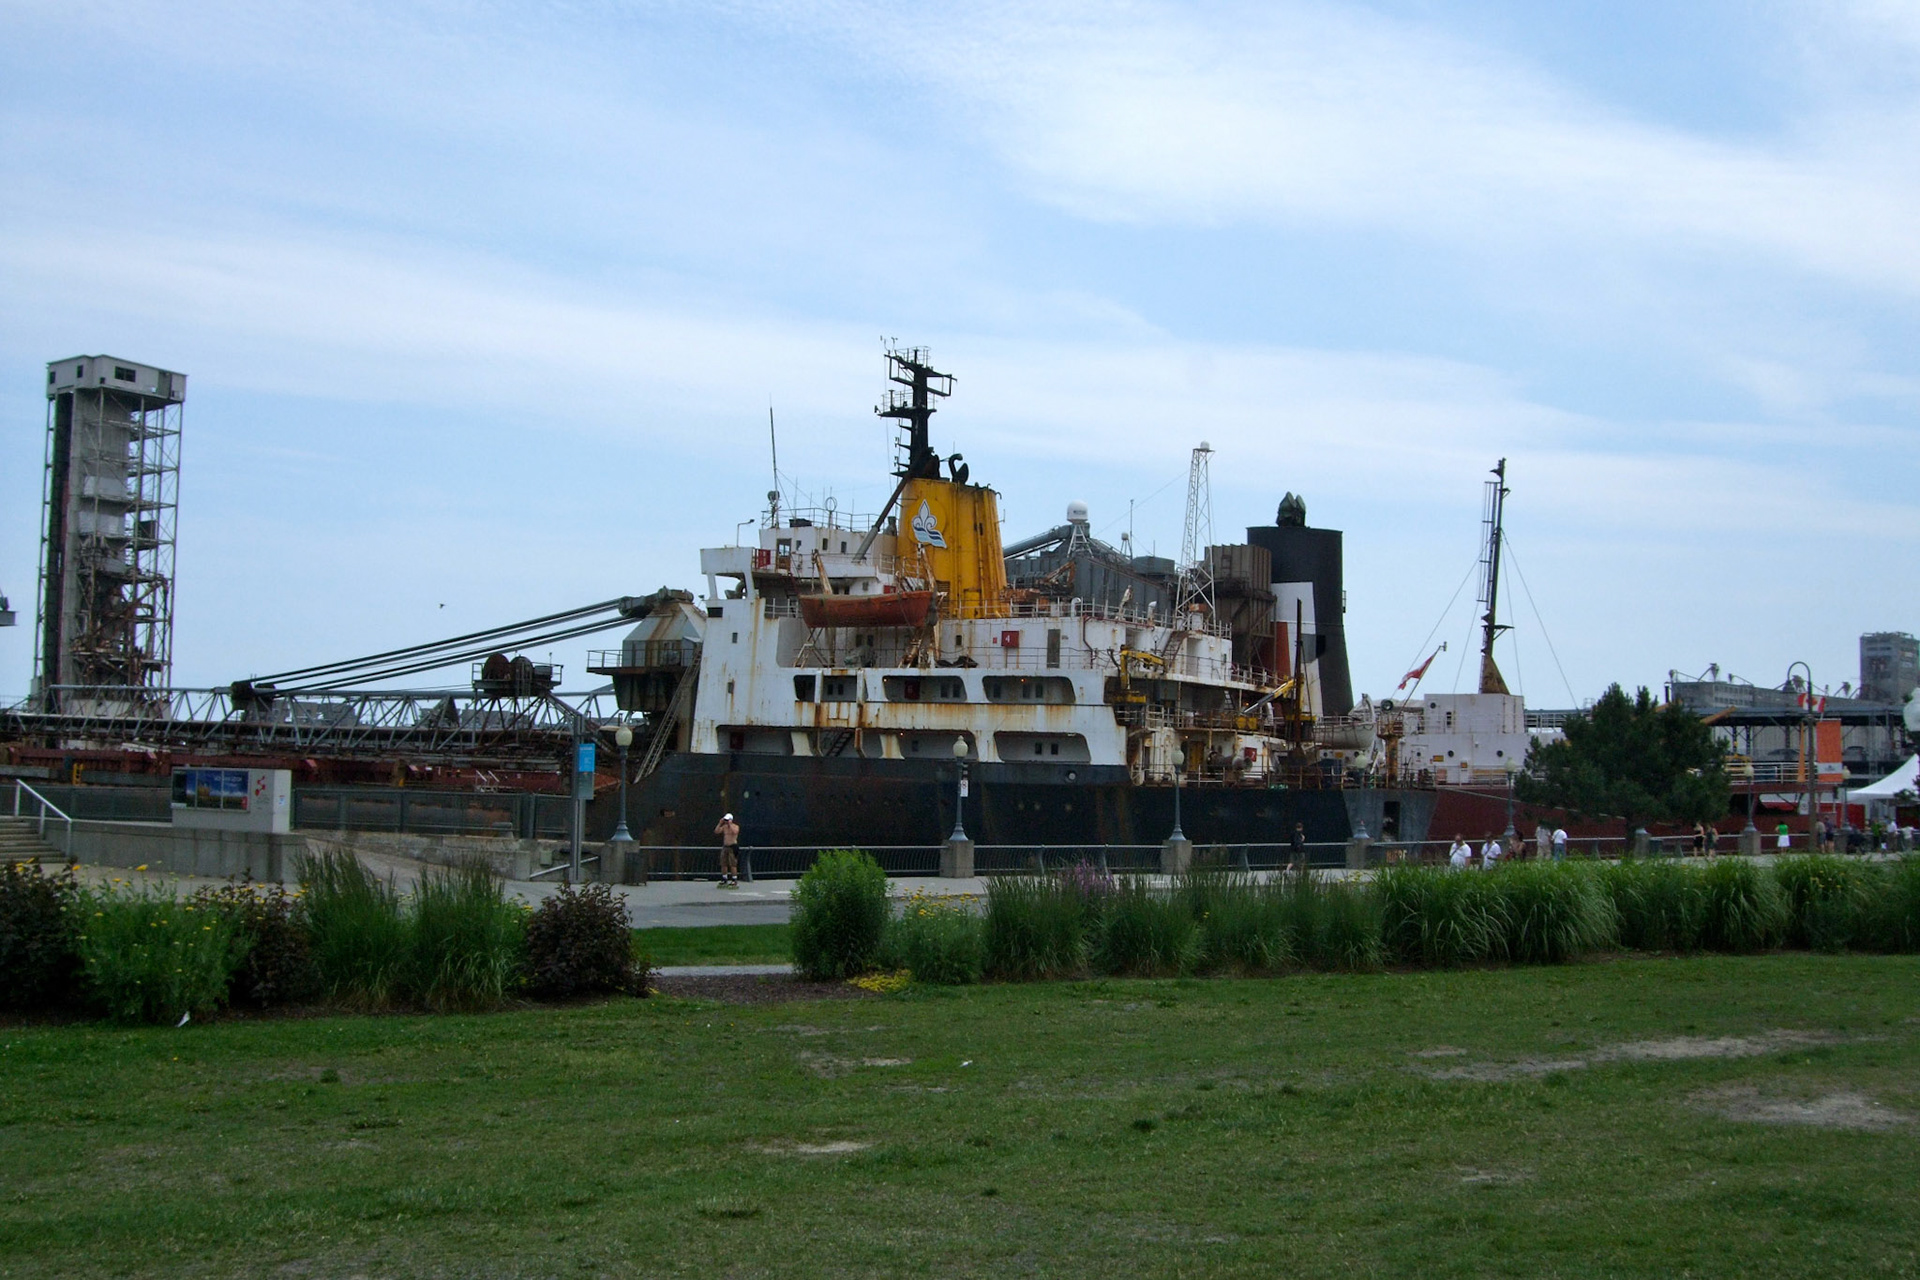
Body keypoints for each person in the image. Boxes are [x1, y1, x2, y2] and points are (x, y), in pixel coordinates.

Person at [714, 812, 740, 888]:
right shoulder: (724, 827)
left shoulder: (735, 826)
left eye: (727, 820)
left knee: (733, 864)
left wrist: (730, 825)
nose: (726, 821)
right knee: (723, 863)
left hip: (733, 846)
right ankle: (724, 878)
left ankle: (734, 879)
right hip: (725, 846)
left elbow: (735, 832)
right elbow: (716, 831)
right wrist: (720, 823)